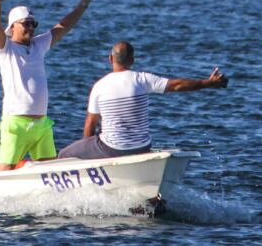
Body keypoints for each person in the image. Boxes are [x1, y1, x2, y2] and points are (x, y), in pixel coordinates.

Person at [58, 42, 228, 161]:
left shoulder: (100, 86)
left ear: (111, 59)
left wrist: (87, 152)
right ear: (132, 60)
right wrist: (209, 83)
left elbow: (90, 123)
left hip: (111, 149)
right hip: (142, 147)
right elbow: (177, 85)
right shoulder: (143, 79)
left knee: (64, 154)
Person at [0, 0, 92, 169]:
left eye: (33, 23)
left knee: (50, 171)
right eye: (25, 24)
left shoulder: (39, 45)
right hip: (16, 124)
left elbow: (64, 26)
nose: (31, 27)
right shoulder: (6, 49)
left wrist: (84, 2)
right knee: (4, 173)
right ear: (12, 27)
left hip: (42, 125)